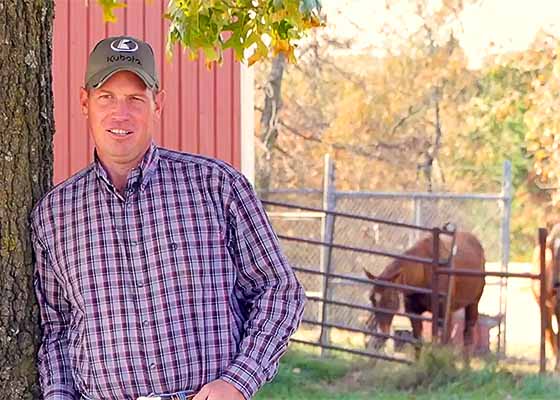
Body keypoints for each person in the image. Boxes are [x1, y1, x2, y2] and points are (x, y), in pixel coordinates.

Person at [31, 35, 306, 400]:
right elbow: (58, 329)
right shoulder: (55, 215)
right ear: (85, 102)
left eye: (135, 99)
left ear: (157, 103)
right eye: (106, 98)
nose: (120, 114)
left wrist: (239, 381)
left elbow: (279, 290)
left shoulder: (216, 186)